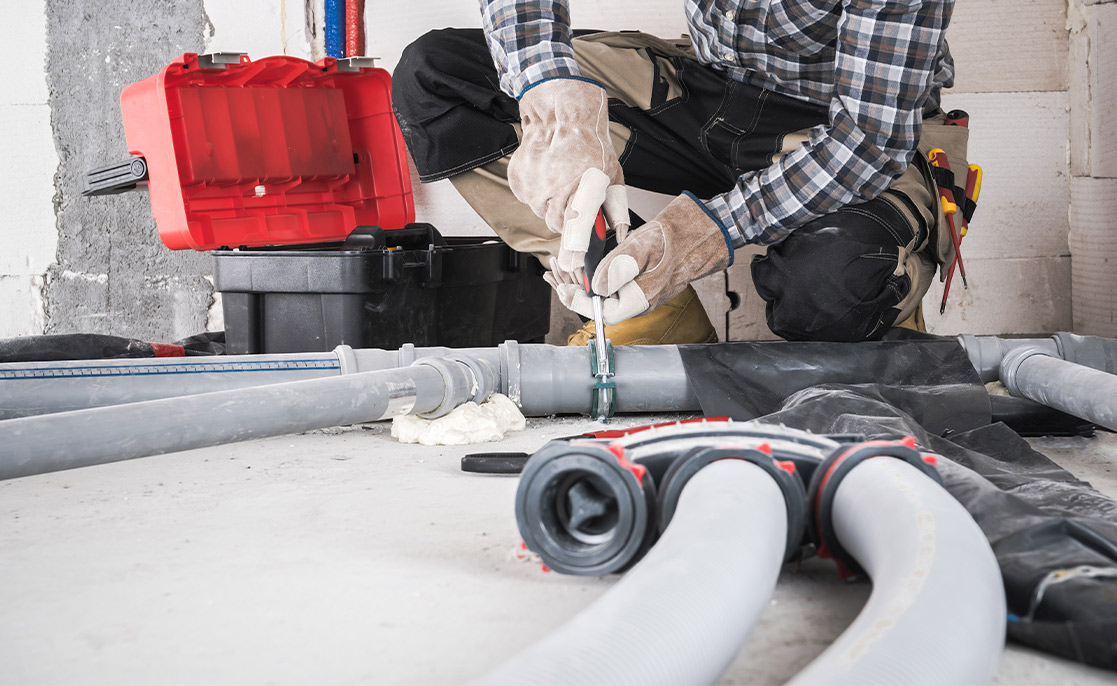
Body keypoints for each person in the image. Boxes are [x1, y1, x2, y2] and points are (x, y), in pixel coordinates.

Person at [391, 0, 969, 345]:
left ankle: (883, 297)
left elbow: (867, 140)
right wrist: (556, 99)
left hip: (842, 129)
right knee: (439, 77)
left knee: (830, 292)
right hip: (705, 89)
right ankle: (636, 304)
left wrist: (697, 235)